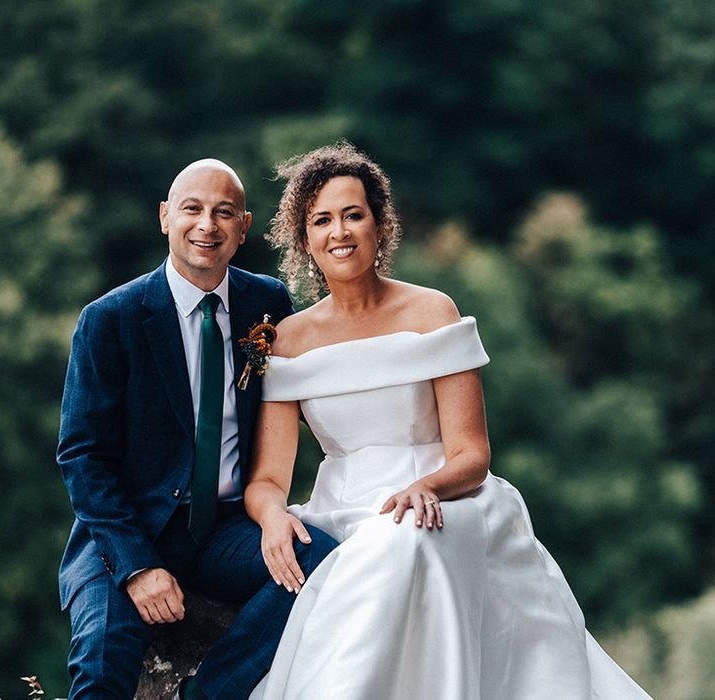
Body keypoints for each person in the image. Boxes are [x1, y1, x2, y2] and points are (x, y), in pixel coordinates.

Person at [244, 143, 652, 699]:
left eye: (353, 214)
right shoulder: (287, 341)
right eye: (322, 220)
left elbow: (473, 455)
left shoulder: (432, 312)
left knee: (405, 541)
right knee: (365, 554)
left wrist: (426, 485)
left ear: (380, 224)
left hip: (446, 498)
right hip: (341, 511)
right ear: (305, 238)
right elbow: (269, 479)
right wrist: (271, 518)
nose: (339, 232)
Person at [56, 158, 337, 700]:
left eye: (223, 213)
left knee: (317, 560)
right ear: (165, 217)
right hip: (128, 528)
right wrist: (138, 568)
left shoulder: (268, 304)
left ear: (243, 226)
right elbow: (81, 457)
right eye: (192, 209)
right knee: (104, 662)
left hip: (223, 530)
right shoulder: (109, 318)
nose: (207, 224)